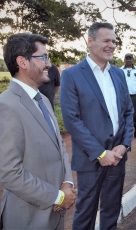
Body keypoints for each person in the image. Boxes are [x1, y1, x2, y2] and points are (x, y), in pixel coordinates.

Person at [60, 22, 134, 230]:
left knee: (111, 210)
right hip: (90, 158)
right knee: (86, 213)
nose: (111, 45)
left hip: (117, 157)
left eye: (114, 41)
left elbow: (128, 112)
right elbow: (72, 120)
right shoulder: (72, 75)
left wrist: (124, 144)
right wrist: (101, 153)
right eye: (106, 40)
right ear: (90, 41)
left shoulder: (118, 74)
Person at [0, 33, 76, 229]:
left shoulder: (42, 100)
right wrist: (57, 196)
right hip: (28, 218)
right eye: (43, 57)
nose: (49, 64)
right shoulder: (6, 105)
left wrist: (67, 183)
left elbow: (59, 146)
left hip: (55, 215)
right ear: (22, 62)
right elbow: (9, 172)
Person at [120, 53, 136, 140]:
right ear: (124, 60)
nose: (128, 60)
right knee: (123, 113)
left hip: (135, 95)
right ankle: (123, 132)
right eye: (126, 58)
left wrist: (134, 88)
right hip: (123, 95)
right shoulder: (120, 70)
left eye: (130, 58)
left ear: (133, 60)